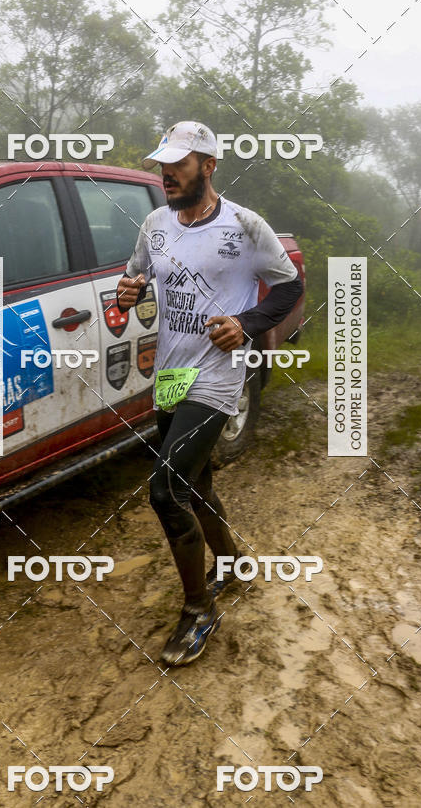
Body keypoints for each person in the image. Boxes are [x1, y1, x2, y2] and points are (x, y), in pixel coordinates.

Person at [116, 121, 303, 666]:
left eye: (178, 163)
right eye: (162, 163)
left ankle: (199, 611)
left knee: (165, 492)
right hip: (171, 376)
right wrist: (129, 292)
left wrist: (245, 323)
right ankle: (231, 561)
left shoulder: (245, 225)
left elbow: (288, 285)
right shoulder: (155, 224)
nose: (165, 173)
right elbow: (135, 281)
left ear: (209, 165)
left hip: (217, 377)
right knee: (196, 484)